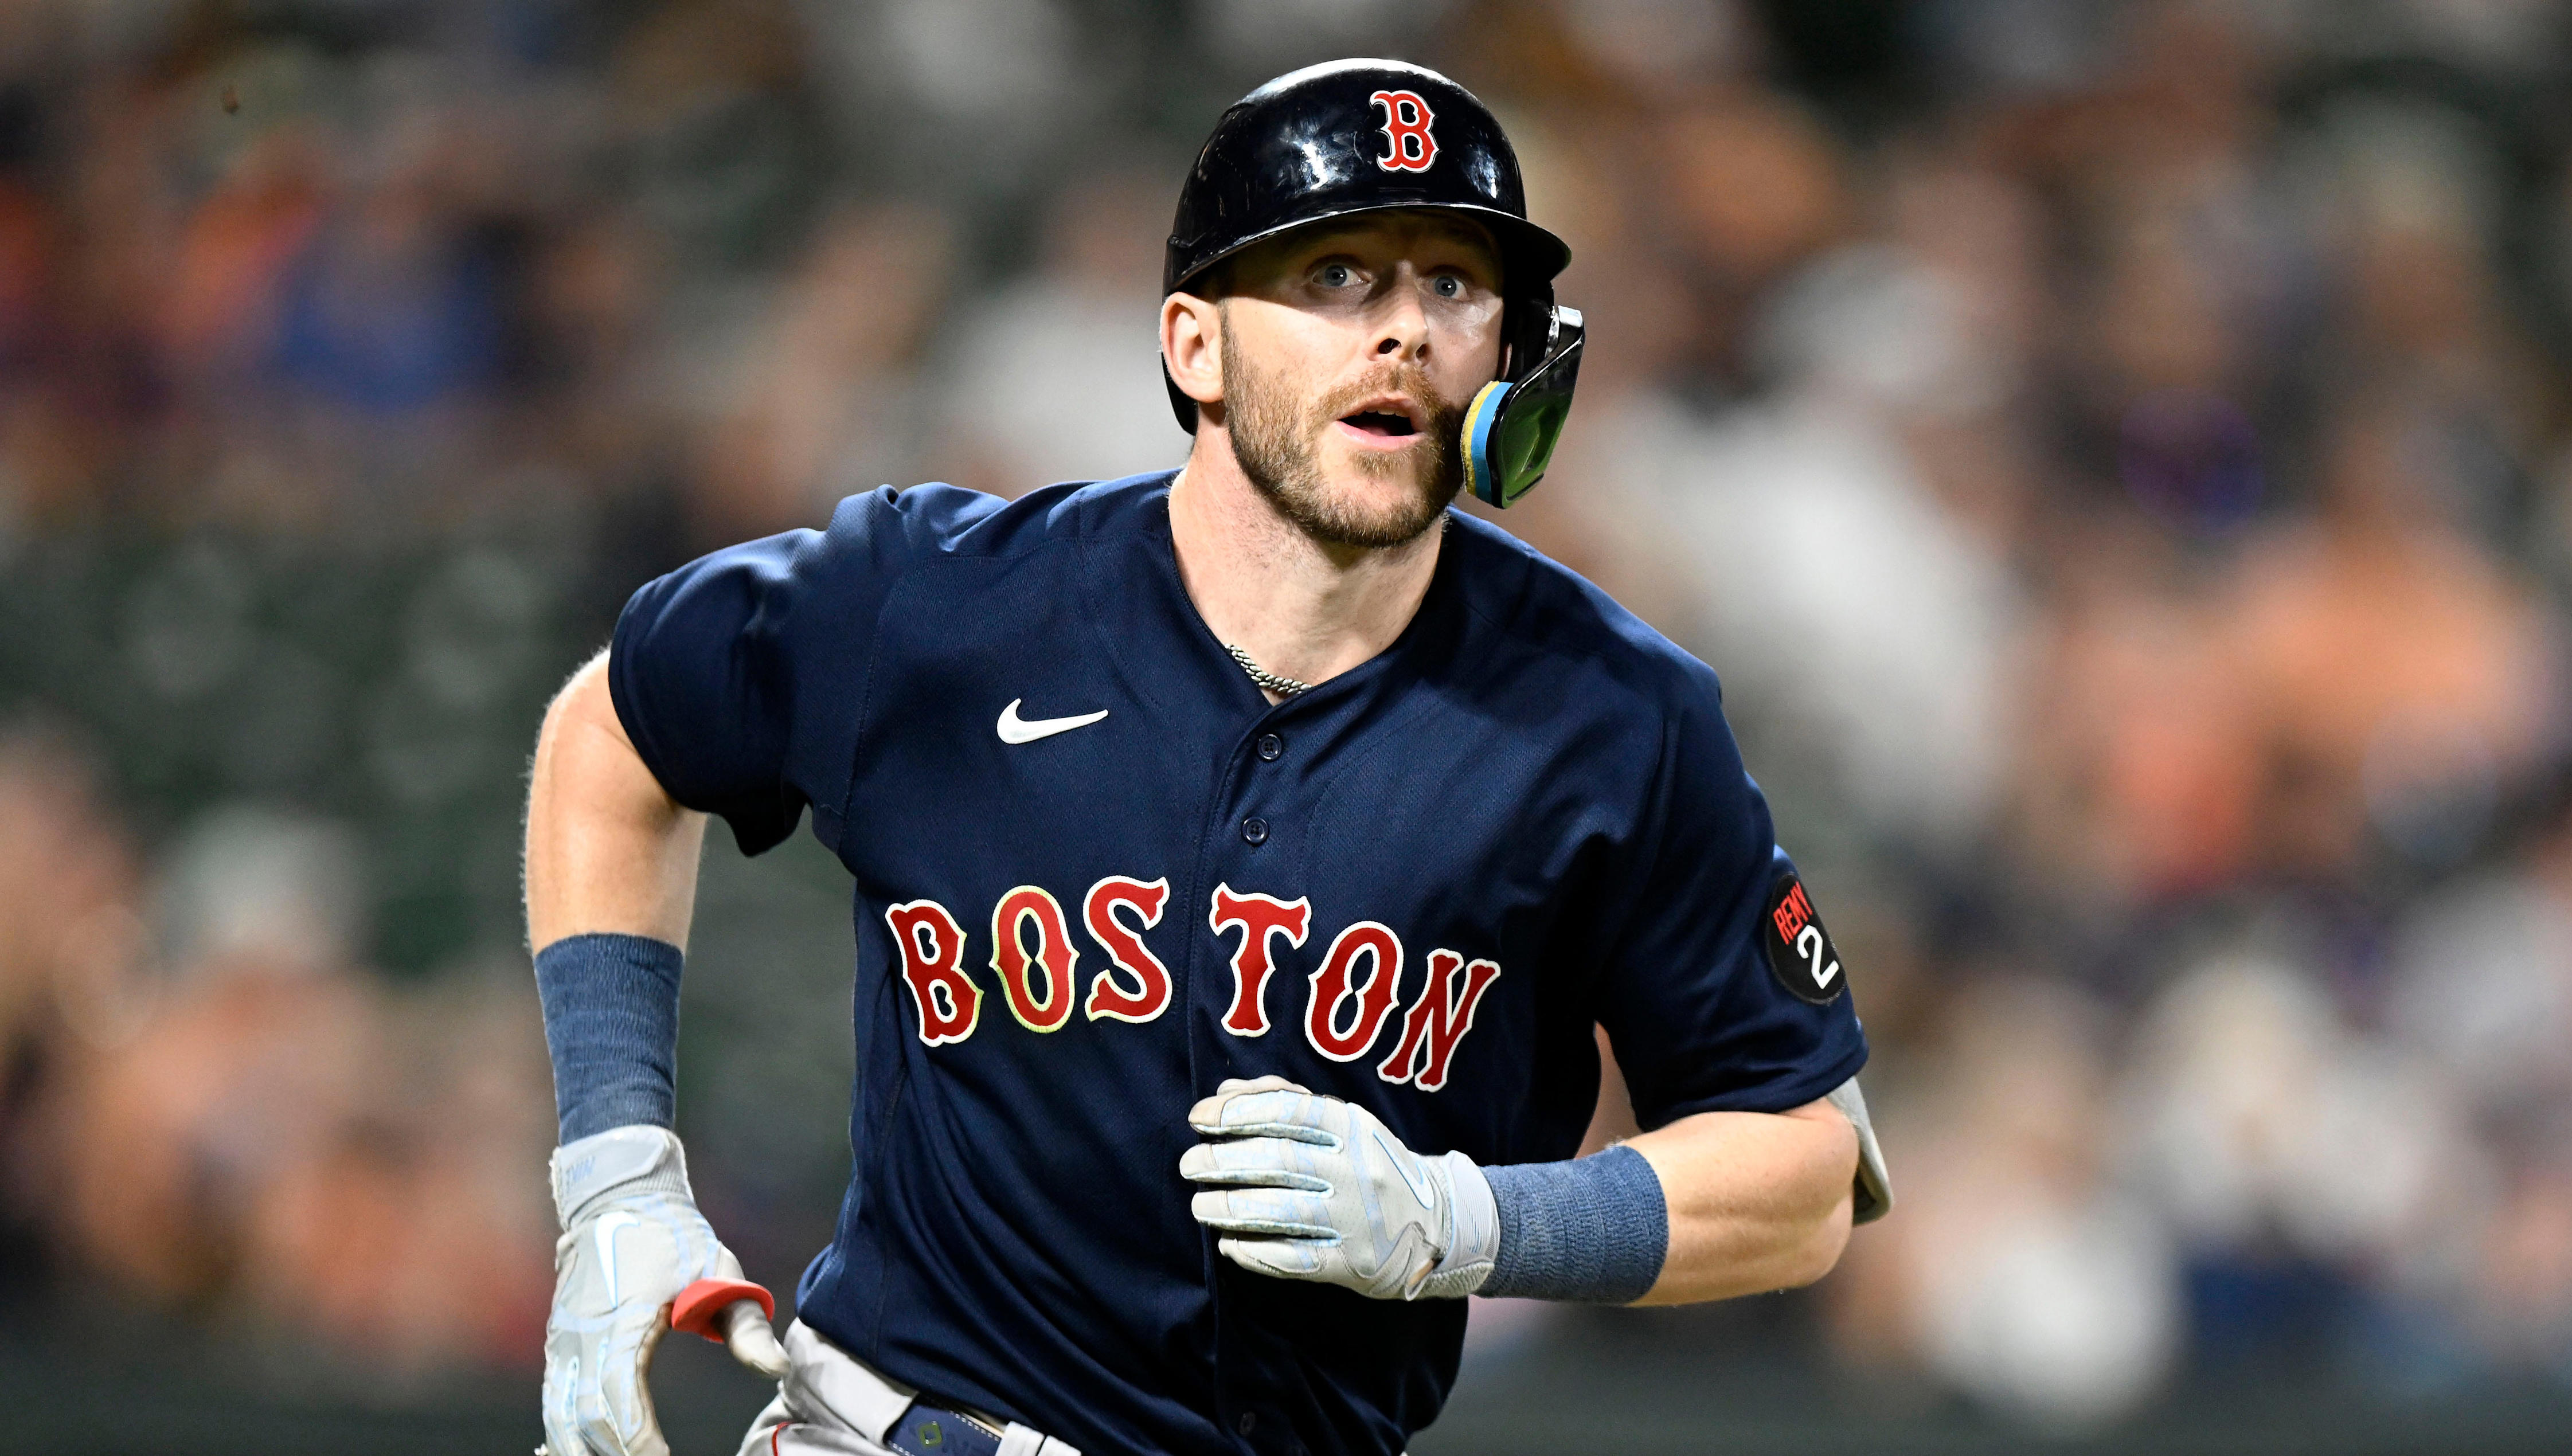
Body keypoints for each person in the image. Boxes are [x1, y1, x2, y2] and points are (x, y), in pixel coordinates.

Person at [526, 59, 1891, 1456]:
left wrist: (1471, 1219)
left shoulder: (1612, 714)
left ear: (1516, 356)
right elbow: (616, 729)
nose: (1405, 330)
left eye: (1454, 284)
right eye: (1336, 276)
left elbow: (1801, 1169)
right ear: (1195, 345)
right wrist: (616, 1173)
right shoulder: (940, 601)